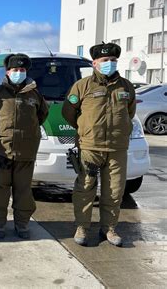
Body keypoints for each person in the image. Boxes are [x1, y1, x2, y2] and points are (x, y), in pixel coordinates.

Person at [62, 42, 136, 247]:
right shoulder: (82, 86)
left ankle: (109, 229)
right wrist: (86, 129)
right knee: (85, 188)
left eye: (113, 60)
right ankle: (82, 227)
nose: (110, 64)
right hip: (90, 147)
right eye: (105, 61)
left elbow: (129, 113)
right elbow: (69, 112)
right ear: (95, 63)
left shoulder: (126, 86)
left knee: (115, 190)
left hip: (117, 147)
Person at [0, 54, 48, 239]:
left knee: (23, 190)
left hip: (26, 152)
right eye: (15, 70)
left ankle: (22, 224)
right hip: (1, 151)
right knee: (0, 189)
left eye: (22, 70)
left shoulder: (34, 94)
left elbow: (42, 115)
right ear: (7, 72)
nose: (19, 73)